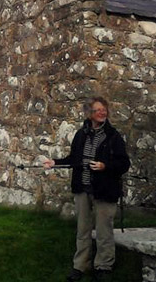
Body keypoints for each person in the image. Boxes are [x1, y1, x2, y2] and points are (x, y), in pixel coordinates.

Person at [43, 97, 130, 282]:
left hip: (104, 190)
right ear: (89, 113)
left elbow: (124, 163)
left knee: (103, 230)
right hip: (82, 188)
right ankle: (80, 266)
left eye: (104, 109)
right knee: (83, 230)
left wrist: (104, 166)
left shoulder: (113, 136)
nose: (102, 112)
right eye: (98, 110)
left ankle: (103, 266)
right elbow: (73, 158)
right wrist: (55, 163)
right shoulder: (81, 135)